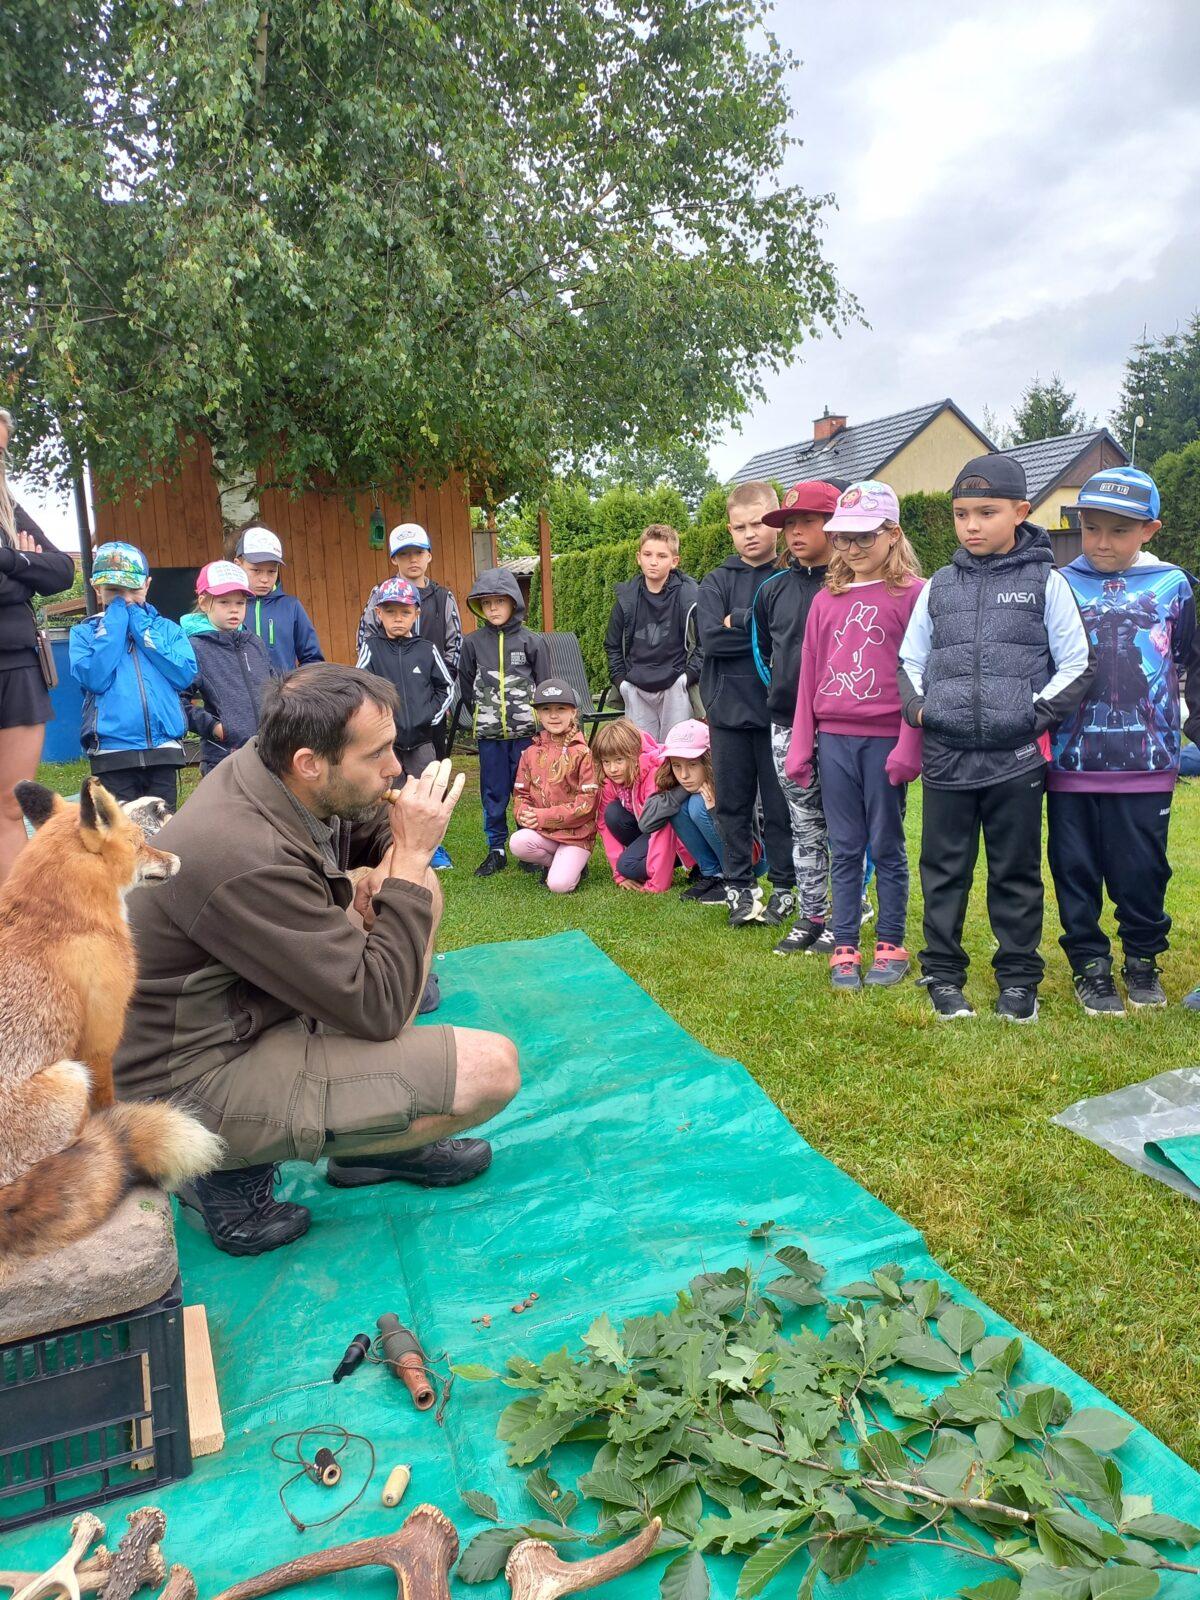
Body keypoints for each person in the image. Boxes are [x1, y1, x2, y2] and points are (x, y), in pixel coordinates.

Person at [114, 664, 520, 1256]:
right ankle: (220, 1173)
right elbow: (378, 1009)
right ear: (310, 762)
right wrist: (409, 857)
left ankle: (373, 1142)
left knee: (416, 889)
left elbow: (370, 829)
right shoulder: (241, 851)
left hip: (250, 1011)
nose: (395, 768)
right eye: (377, 754)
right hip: (192, 1077)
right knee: (492, 1070)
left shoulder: (278, 770)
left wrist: (391, 861)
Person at [898, 453, 1093, 1023]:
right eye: (962, 514)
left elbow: (1077, 663)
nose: (972, 525)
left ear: (1021, 512)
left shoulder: (1047, 582)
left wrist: (1031, 716)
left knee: (1016, 871)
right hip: (946, 758)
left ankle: (1018, 980)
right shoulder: (939, 586)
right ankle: (942, 974)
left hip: (1016, 760)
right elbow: (910, 659)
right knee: (943, 871)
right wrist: (922, 711)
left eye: (987, 512)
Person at [1046, 467, 1200, 1015]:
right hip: (1070, 761)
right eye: (1092, 528)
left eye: (1119, 530)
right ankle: (1090, 966)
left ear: (1149, 531)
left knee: (1143, 870)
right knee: (1074, 869)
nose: (1102, 543)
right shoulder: (1058, 584)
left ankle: (1142, 960)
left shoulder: (1173, 585)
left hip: (1147, 763)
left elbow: (1188, 660)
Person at [786, 482, 924, 991]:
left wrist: (910, 744)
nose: (851, 548)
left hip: (885, 740)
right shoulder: (827, 600)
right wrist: (802, 744)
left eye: (864, 537)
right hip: (834, 741)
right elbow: (809, 675)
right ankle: (844, 943)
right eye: (843, 538)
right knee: (843, 846)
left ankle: (891, 941)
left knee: (886, 844)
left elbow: (921, 674)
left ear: (893, 534)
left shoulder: (915, 594)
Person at [696, 481, 795, 927]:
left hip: (780, 712)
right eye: (740, 527)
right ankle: (740, 886)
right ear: (730, 530)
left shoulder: (791, 575)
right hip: (727, 711)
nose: (750, 534)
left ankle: (786, 888)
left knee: (780, 807)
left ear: (775, 522)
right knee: (732, 805)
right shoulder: (716, 580)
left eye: (757, 523)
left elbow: (793, 635)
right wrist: (765, 629)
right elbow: (711, 640)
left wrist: (740, 622)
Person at [752, 479, 841, 955]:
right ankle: (812, 914)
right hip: (788, 724)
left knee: (845, 825)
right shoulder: (772, 590)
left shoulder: (852, 585)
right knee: (804, 823)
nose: (796, 533)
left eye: (807, 521)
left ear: (834, 524)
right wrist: (785, 696)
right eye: (789, 525)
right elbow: (764, 652)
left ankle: (846, 915)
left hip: (844, 726)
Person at [0, 407, 77, 883]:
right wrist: (25, 568)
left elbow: (63, 571)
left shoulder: (7, 505)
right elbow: (32, 578)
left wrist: (10, 560)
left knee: (11, 805)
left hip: (19, 670)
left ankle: (16, 914)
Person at [69, 542, 197, 811]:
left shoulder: (168, 629)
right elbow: (94, 677)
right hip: (113, 753)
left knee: (164, 826)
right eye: (115, 591)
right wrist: (115, 625)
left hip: (163, 749)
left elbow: (183, 675)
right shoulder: (84, 633)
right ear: (97, 588)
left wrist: (141, 628)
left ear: (147, 585)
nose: (125, 599)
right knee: (120, 829)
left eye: (133, 589)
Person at [458, 567, 547, 877]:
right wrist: (485, 715)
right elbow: (466, 683)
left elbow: (545, 685)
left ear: (513, 602)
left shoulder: (532, 641)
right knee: (493, 792)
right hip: (490, 736)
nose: (493, 608)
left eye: (499, 601)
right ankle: (496, 849)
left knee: (527, 790)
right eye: (486, 603)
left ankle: (526, 846)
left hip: (526, 735)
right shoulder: (472, 643)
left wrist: (542, 724)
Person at [357, 523, 463, 723]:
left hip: (431, 700)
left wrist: (441, 690)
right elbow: (365, 639)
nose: (413, 559)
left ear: (429, 556)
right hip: (388, 702)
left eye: (419, 552)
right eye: (404, 554)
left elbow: (455, 644)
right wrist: (377, 692)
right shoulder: (380, 594)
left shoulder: (443, 597)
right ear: (394, 559)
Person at [603, 524, 700, 740]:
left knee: (677, 749)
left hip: (675, 686)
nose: (653, 561)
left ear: (674, 561)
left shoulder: (690, 596)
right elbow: (612, 644)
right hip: (636, 687)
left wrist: (687, 678)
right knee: (641, 751)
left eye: (662, 556)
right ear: (639, 558)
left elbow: (704, 644)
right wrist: (621, 682)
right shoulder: (626, 599)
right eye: (647, 554)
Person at [355, 575, 454, 784]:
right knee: (390, 794)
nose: (398, 618)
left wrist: (429, 716)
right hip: (387, 744)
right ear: (379, 613)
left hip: (422, 742)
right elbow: (359, 688)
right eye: (390, 612)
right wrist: (377, 721)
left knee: (426, 789)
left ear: (416, 614)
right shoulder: (371, 649)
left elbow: (446, 687)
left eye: (405, 612)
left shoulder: (427, 650)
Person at [182, 560, 274, 773]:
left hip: (268, 753)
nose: (234, 610)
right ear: (204, 603)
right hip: (223, 758)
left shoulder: (254, 643)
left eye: (240, 603)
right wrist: (214, 727)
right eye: (224, 602)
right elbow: (176, 699)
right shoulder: (194, 647)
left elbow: (274, 688)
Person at [509, 678, 600, 893]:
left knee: (559, 886)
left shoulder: (584, 753)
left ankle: (574, 866)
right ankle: (554, 863)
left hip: (575, 836)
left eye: (561, 709)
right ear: (538, 715)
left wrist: (542, 817)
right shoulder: (529, 753)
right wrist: (523, 814)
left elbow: (587, 806)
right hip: (544, 834)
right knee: (518, 842)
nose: (553, 715)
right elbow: (521, 793)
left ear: (573, 712)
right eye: (546, 709)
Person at [592, 716, 688, 891]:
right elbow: (604, 825)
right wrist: (619, 875)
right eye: (606, 761)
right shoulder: (610, 781)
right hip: (646, 829)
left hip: (677, 837)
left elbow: (662, 828)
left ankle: (678, 859)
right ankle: (646, 860)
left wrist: (657, 882)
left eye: (619, 760)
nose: (612, 769)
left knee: (628, 866)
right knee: (612, 813)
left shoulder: (653, 775)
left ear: (634, 754)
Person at [640, 718, 728, 905]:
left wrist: (714, 809)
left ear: (709, 761)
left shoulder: (730, 778)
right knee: (678, 807)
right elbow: (646, 824)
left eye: (693, 764)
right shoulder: (678, 782)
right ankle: (712, 874)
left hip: (752, 856)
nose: (684, 775)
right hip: (724, 854)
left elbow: (750, 834)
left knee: (697, 805)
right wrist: (683, 791)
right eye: (676, 765)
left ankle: (733, 877)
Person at [234, 525, 325, 673]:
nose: (265, 579)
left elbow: (313, 660)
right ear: (238, 565)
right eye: (256, 570)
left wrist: (297, 685)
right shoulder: (228, 608)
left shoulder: (291, 607)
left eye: (271, 571)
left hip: (284, 688)